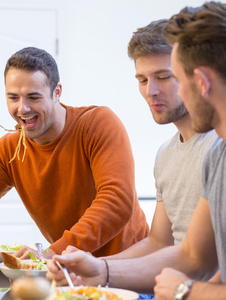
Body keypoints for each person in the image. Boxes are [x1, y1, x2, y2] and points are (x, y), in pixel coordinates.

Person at [46, 2, 226, 299]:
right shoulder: (209, 157)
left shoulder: (215, 148)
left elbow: (200, 267)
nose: (150, 91)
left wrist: (187, 291)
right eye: (142, 80)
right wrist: (101, 270)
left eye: (169, 77)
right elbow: (192, 255)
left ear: (202, 82)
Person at [0, 47, 149, 259]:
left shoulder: (97, 124)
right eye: (13, 98)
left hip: (127, 270)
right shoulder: (9, 150)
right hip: (69, 273)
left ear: (57, 92)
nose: (22, 109)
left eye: (33, 97)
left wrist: (52, 254)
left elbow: (116, 202)